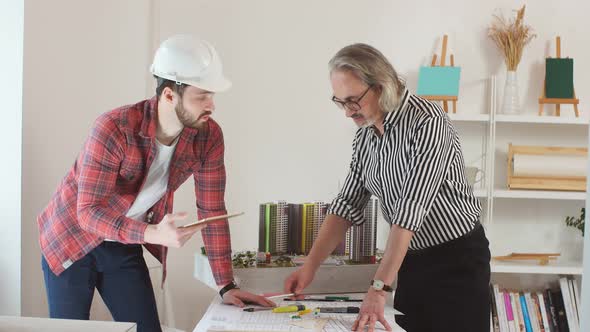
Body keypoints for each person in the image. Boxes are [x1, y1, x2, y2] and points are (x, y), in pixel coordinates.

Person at [38, 35, 274, 332]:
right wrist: (153, 232)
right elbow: (88, 212)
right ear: (169, 95)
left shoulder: (208, 136)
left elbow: (212, 209)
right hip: (70, 238)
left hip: (124, 242)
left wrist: (225, 284)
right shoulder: (114, 127)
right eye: (202, 95)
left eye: (212, 95)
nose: (211, 105)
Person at [284, 43, 491, 332]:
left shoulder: (427, 121)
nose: (347, 112)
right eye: (340, 102)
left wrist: (378, 289)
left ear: (381, 86)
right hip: (409, 259)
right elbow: (346, 204)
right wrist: (310, 266)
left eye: (353, 100)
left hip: (457, 259)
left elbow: (410, 210)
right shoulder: (365, 136)